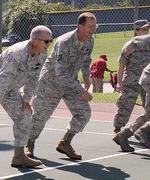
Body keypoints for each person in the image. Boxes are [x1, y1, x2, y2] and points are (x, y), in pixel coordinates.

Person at [0, 25, 52, 175]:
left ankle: (19, 156)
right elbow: (2, 79)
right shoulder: (17, 53)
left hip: (10, 88)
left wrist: (26, 99)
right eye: (46, 41)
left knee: (25, 115)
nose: (49, 44)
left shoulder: (42, 54)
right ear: (35, 41)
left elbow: (34, 78)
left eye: (50, 41)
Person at [25, 12, 97, 161]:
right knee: (40, 116)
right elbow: (60, 72)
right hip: (51, 82)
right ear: (79, 26)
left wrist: (85, 76)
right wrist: (80, 90)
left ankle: (66, 142)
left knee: (84, 112)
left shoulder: (90, 41)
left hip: (70, 82)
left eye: (94, 26)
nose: (93, 29)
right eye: (90, 26)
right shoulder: (65, 42)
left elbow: (86, 59)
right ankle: (28, 144)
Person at [112, 19, 150, 143]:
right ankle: (118, 128)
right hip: (132, 81)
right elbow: (121, 66)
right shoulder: (130, 45)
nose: (147, 31)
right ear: (136, 31)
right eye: (144, 29)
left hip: (148, 81)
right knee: (125, 105)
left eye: (147, 29)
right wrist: (119, 83)